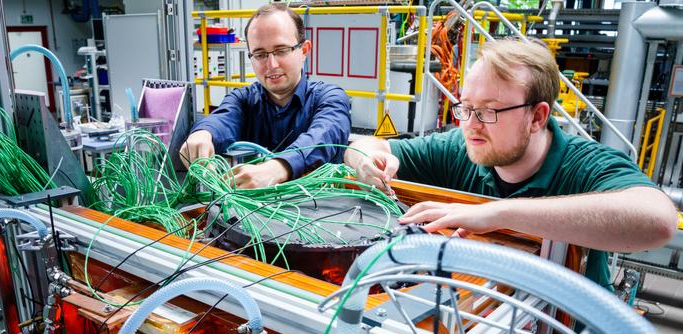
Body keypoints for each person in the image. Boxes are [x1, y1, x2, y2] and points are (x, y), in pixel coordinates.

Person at [345, 37, 677, 288]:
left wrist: (495, 213)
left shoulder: (586, 164)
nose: (470, 124)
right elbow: (365, 146)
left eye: (489, 110)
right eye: (465, 107)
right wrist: (366, 161)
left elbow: (658, 220)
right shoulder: (459, 148)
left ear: (537, 116)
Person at [180, 4, 351, 189]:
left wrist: (277, 169)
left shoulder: (329, 98)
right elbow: (222, 119)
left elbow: (324, 135)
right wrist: (203, 134)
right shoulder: (243, 100)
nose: (271, 64)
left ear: (304, 50)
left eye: (281, 50)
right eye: (260, 54)